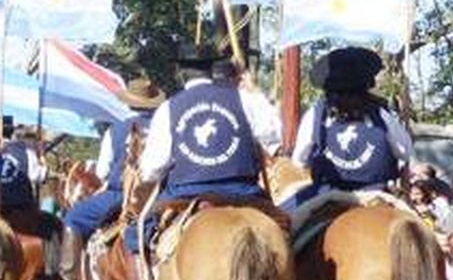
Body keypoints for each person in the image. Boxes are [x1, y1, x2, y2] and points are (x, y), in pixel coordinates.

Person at [132, 42, 280, 253]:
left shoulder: (168, 108)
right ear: (211, 69)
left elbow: (152, 169)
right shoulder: (246, 99)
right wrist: (255, 91)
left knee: (139, 233)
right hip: (244, 191)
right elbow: (274, 136)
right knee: (287, 233)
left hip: (185, 193)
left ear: (181, 72)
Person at [287, 47, 412, 210]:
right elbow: (405, 151)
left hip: (326, 195)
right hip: (377, 194)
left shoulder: (315, 113)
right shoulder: (381, 114)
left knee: (283, 221)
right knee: (422, 227)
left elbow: (299, 160)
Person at [61, 78, 165, 266]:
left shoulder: (116, 129)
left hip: (120, 194)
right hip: (160, 193)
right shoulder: (165, 125)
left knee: (74, 217)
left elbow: (102, 172)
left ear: (129, 102)